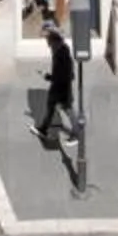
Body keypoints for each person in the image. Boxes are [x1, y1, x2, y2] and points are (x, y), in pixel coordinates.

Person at [36, 16, 76, 147]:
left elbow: (62, 74)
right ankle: (43, 128)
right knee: (52, 106)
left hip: (61, 87)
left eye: (48, 39)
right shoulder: (59, 50)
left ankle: (76, 134)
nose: (47, 42)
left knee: (67, 108)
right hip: (60, 85)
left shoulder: (62, 52)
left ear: (54, 40)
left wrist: (47, 76)